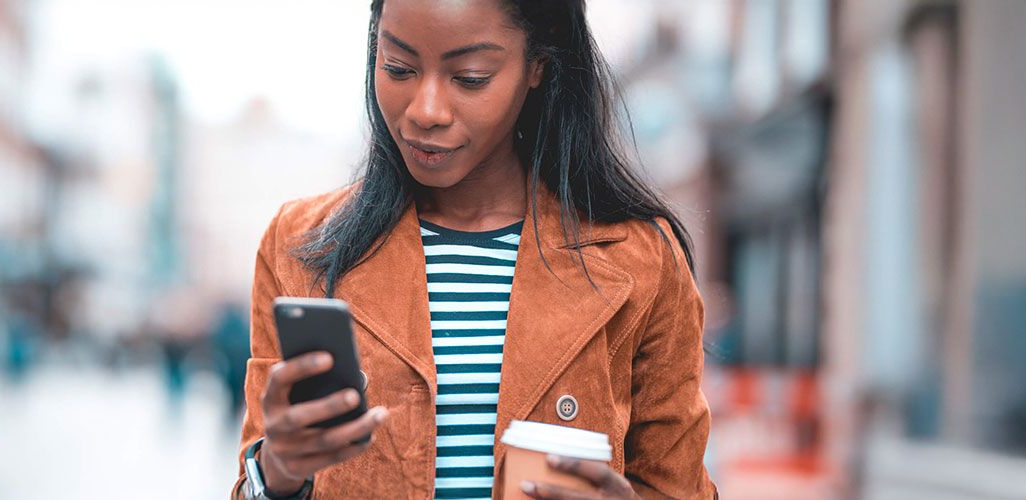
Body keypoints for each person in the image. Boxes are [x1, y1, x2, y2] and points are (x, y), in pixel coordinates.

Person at [232, 1, 716, 499]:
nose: (426, 111)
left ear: (538, 64)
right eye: (398, 68)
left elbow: (678, 486)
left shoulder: (640, 258)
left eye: (470, 77)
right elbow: (252, 483)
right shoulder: (300, 246)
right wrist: (278, 470)